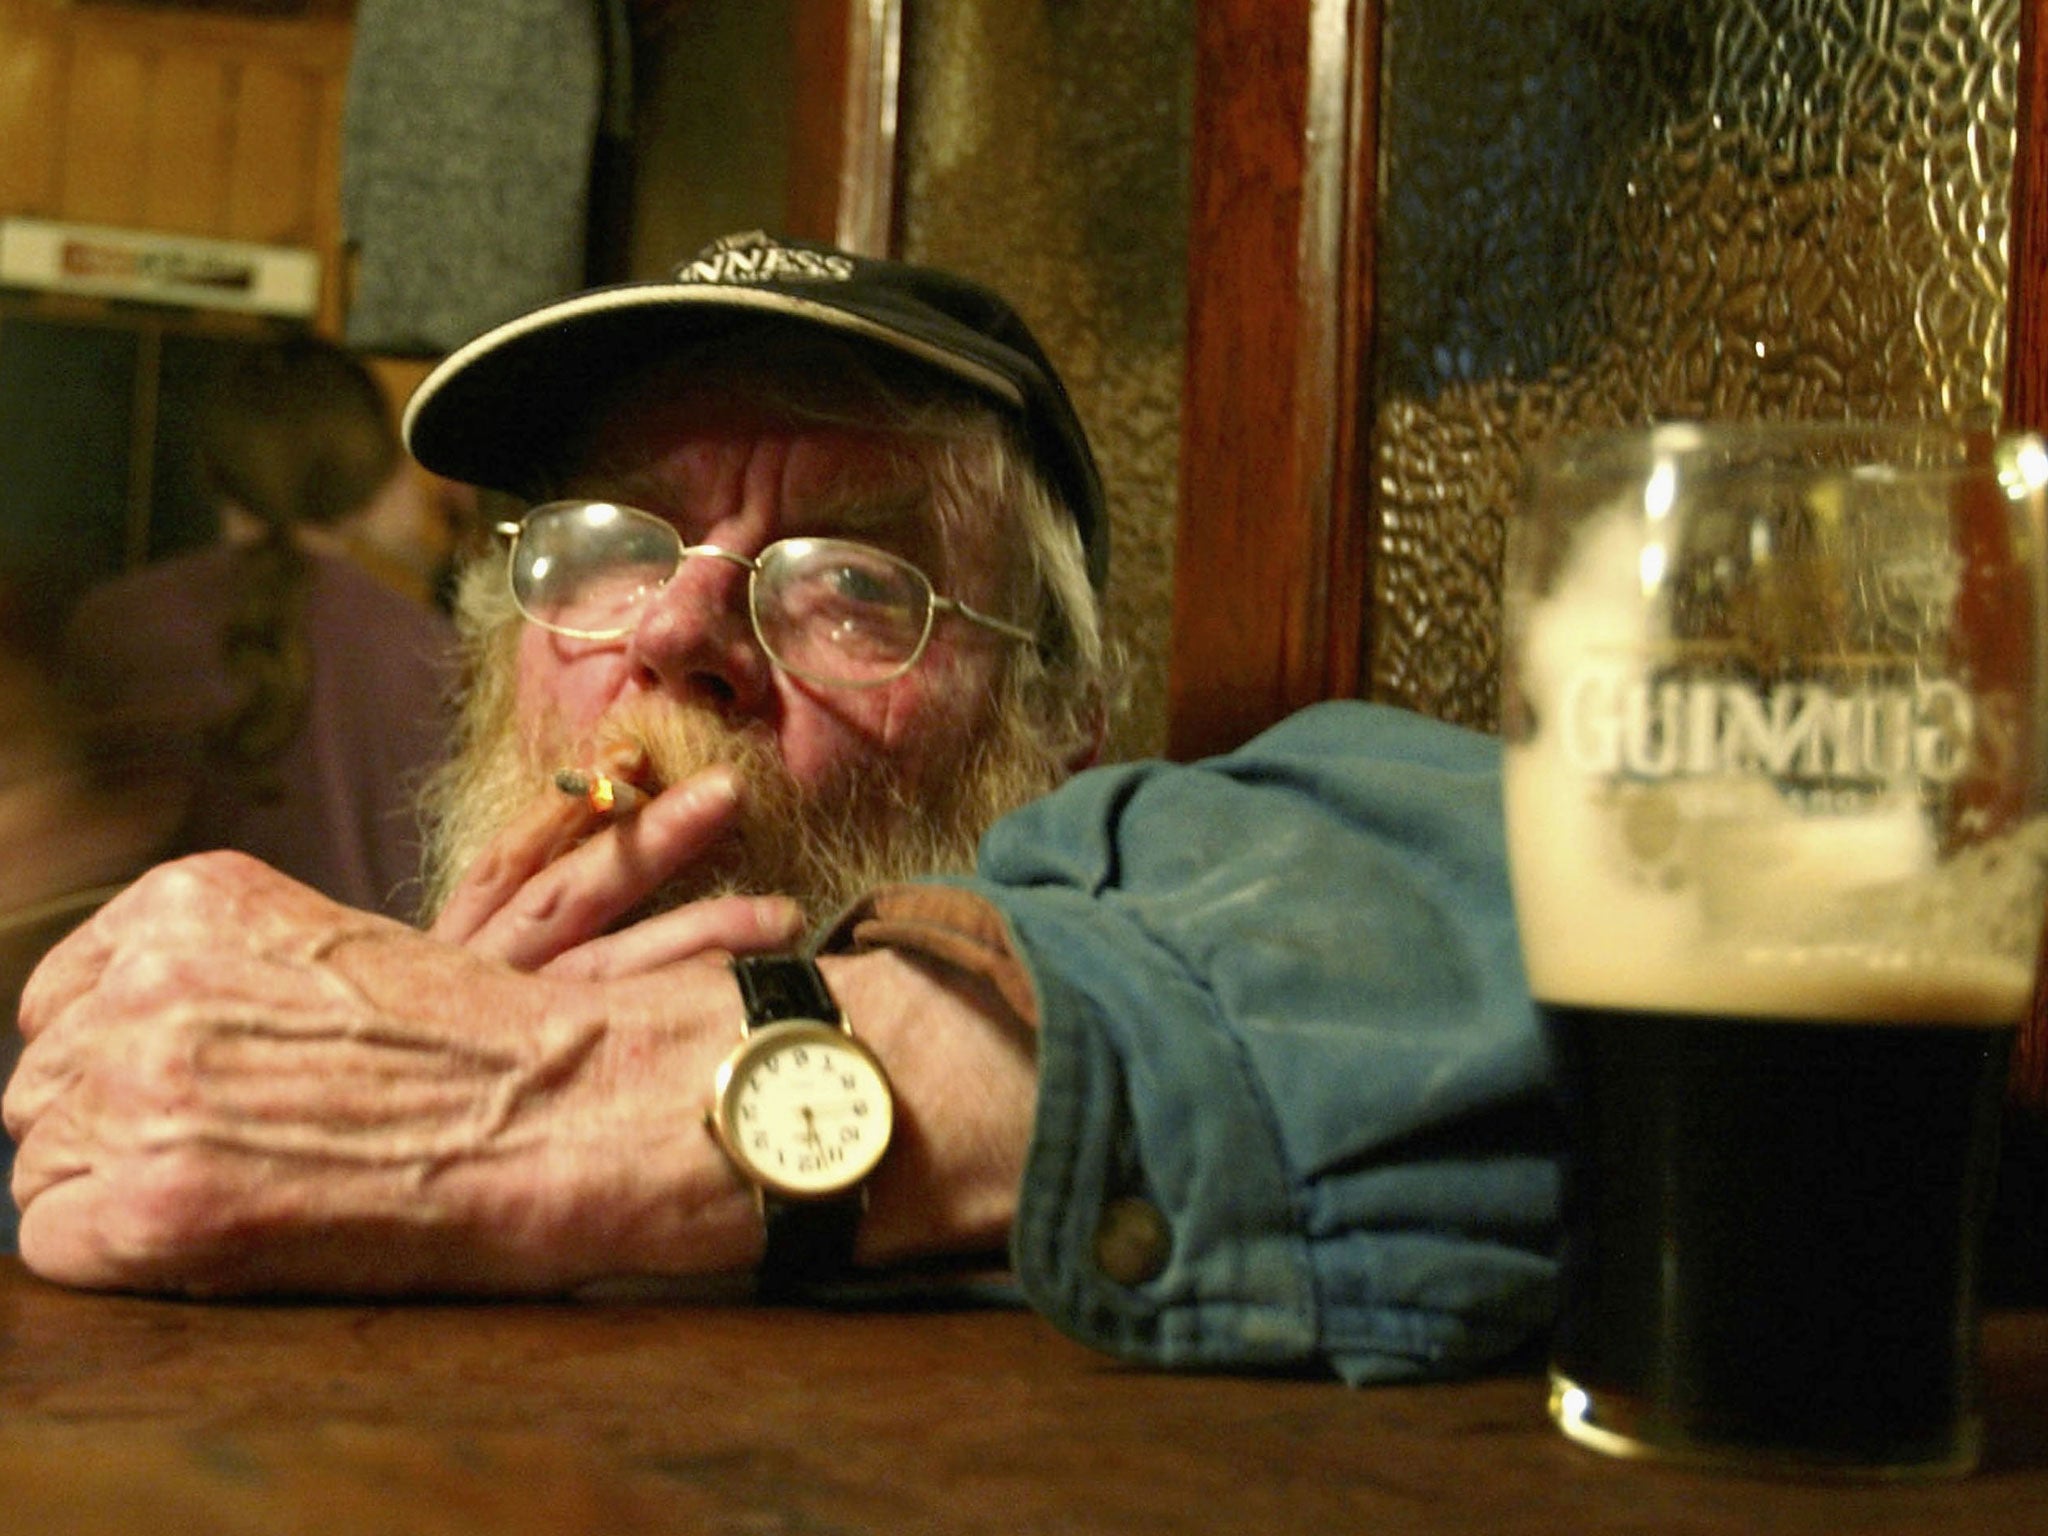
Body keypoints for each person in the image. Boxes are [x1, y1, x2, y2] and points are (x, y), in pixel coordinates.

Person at [3, 232, 1555, 1385]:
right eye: (611, 545)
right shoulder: (248, 1132)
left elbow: (1536, 888)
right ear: (493, 668)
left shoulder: (1129, 878)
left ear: (1055, 739)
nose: (674, 635)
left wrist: (573, 1094)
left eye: (850, 587)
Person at [57, 335, 456, 921]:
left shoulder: (111, 626)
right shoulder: (434, 649)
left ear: (215, 465)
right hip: (361, 1005)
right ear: (371, 471)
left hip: (145, 996)